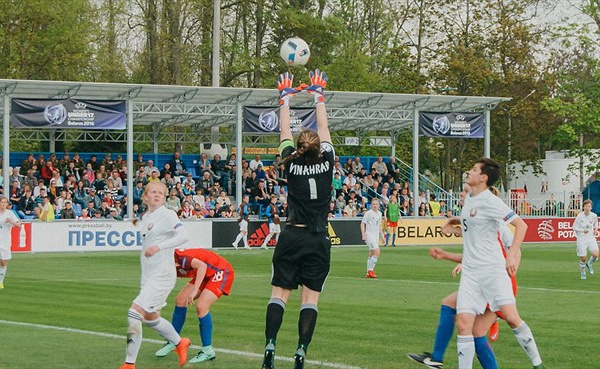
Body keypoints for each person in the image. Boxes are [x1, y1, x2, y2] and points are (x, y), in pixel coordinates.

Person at [262, 69, 333, 369]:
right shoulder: (327, 161)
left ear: (299, 149)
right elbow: (324, 128)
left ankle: (270, 346)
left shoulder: (290, 163)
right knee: (310, 299)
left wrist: (285, 99)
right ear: (318, 148)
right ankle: (302, 350)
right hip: (318, 239)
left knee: (279, 294)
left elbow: (285, 133)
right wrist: (318, 96)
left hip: (292, 235)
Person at [407, 184, 513, 369]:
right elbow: (476, 252)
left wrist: (507, 267)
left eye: (465, 192)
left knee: (475, 332)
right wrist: (452, 255)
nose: (462, 195)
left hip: (494, 282)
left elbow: (509, 250)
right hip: (482, 279)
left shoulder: (496, 224)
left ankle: (437, 357)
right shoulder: (473, 220)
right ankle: (436, 357)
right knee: (468, 325)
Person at [453, 158, 544, 369]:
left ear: (483, 178)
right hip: (471, 275)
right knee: (463, 324)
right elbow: (474, 235)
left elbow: (521, 226)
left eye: (474, 169)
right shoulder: (470, 200)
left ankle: (538, 364)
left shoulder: (490, 201)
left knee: (512, 318)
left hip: (493, 272)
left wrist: (512, 255)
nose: (469, 171)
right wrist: (454, 229)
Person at [118, 181, 191, 369]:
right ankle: (179, 342)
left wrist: (158, 247)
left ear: (165, 197)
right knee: (150, 318)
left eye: (161, 193)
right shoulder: (146, 216)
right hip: (149, 276)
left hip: (163, 275)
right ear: (145, 196)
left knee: (134, 313)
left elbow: (183, 236)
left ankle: (129, 364)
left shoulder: (167, 214)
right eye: (153, 192)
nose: (157, 195)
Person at [154, 248, 234, 363]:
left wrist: (195, 290)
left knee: (201, 307)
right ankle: (173, 341)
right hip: (206, 274)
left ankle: (207, 351)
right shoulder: (164, 264)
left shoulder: (181, 258)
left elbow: (202, 266)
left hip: (221, 271)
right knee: (180, 300)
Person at [573, 199, 598, 280]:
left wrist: (596, 229)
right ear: (583, 207)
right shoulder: (580, 216)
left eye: (589, 206)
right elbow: (574, 227)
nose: (588, 207)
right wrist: (582, 230)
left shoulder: (593, 215)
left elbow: (596, 223)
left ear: (591, 207)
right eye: (586, 206)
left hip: (591, 238)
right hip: (581, 239)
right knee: (583, 258)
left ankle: (590, 263)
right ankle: (583, 272)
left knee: (595, 254)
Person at [0, 196, 21, 289]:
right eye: (2, 202)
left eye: (5, 202)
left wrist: (11, 221)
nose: (4, 204)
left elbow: (19, 225)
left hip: (5, 241)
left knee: (3, 262)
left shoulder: (10, 213)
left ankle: (0, 282)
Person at [361, 197, 385, 278]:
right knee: (377, 251)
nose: (375, 206)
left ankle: (368, 273)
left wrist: (382, 236)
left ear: (379, 205)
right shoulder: (368, 213)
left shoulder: (379, 214)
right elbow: (362, 224)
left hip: (375, 236)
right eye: (373, 204)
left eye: (376, 204)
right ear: (371, 205)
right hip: (369, 235)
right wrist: (363, 234)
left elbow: (379, 226)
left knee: (371, 254)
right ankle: (371, 271)